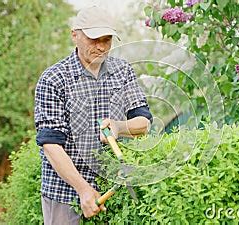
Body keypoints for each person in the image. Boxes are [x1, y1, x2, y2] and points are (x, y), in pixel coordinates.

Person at [34, 5, 152, 224]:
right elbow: (51, 145)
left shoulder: (123, 72)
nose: (100, 47)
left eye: (106, 40)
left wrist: (119, 127)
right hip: (64, 195)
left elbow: (144, 123)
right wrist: (83, 189)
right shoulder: (53, 79)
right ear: (75, 36)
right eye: (93, 40)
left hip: (112, 191)